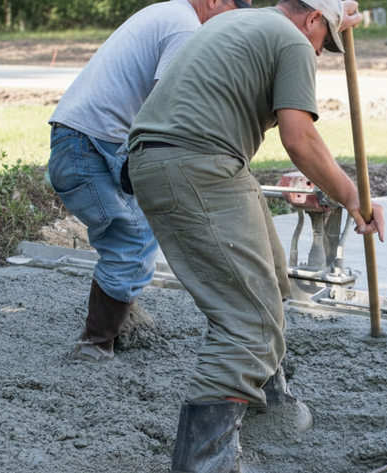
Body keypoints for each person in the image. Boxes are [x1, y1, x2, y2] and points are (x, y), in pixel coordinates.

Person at [125, 0, 383, 470]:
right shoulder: (292, 40)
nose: (320, 53)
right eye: (324, 42)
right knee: (248, 321)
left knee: (270, 276)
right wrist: (351, 195)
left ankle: (270, 403)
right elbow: (298, 137)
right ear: (311, 21)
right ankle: (205, 464)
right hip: (197, 163)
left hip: (174, 158)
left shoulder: (240, 20)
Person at [47, 0, 249, 362]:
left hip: (88, 140)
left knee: (138, 229)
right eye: (231, 12)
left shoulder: (169, 13)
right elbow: (165, 109)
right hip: (88, 147)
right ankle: (94, 348)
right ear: (215, 1)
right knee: (135, 240)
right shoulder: (186, 28)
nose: (230, 24)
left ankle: (119, 320)